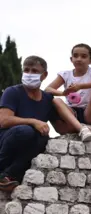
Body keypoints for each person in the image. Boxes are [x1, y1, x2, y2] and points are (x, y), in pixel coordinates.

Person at [0, 57, 55, 190]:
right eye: (26, 70)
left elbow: (62, 128)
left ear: (44, 75)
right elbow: (3, 120)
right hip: (6, 140)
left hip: (26, 149)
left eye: (34, 71)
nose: (30, 74)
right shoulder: (12, 92)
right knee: (26, 130)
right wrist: (33, 121)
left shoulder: (47, 99)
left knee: (44, 136)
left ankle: (8, 176)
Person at [45, 43, 91, 142]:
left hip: (89, 112)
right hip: (72, 113)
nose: (79, 59)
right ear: (71, 59)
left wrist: (80, 86)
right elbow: (48, 89)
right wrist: (64, 93)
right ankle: (82, 129)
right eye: (75, 56)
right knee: (56, 100)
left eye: (84, 56)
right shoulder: (65, 74)